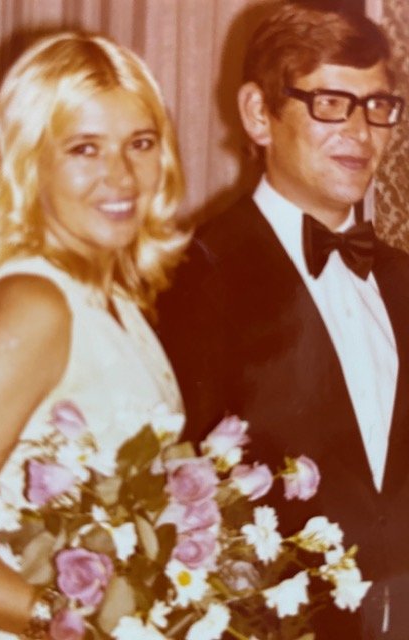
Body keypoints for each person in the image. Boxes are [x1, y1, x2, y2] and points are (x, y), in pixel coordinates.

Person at [157, 2, 409, 639]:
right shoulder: (191, 279)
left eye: (378, 105)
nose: (361, 132)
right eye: (331, 103)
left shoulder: (403, 279)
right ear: (257, 114)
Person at [0, 31, 189, 640]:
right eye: (84, 149)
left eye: (141, 144)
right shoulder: (32, 304)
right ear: (29, 161)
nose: (121, 176)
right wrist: (74, 626)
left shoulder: (112, 301)